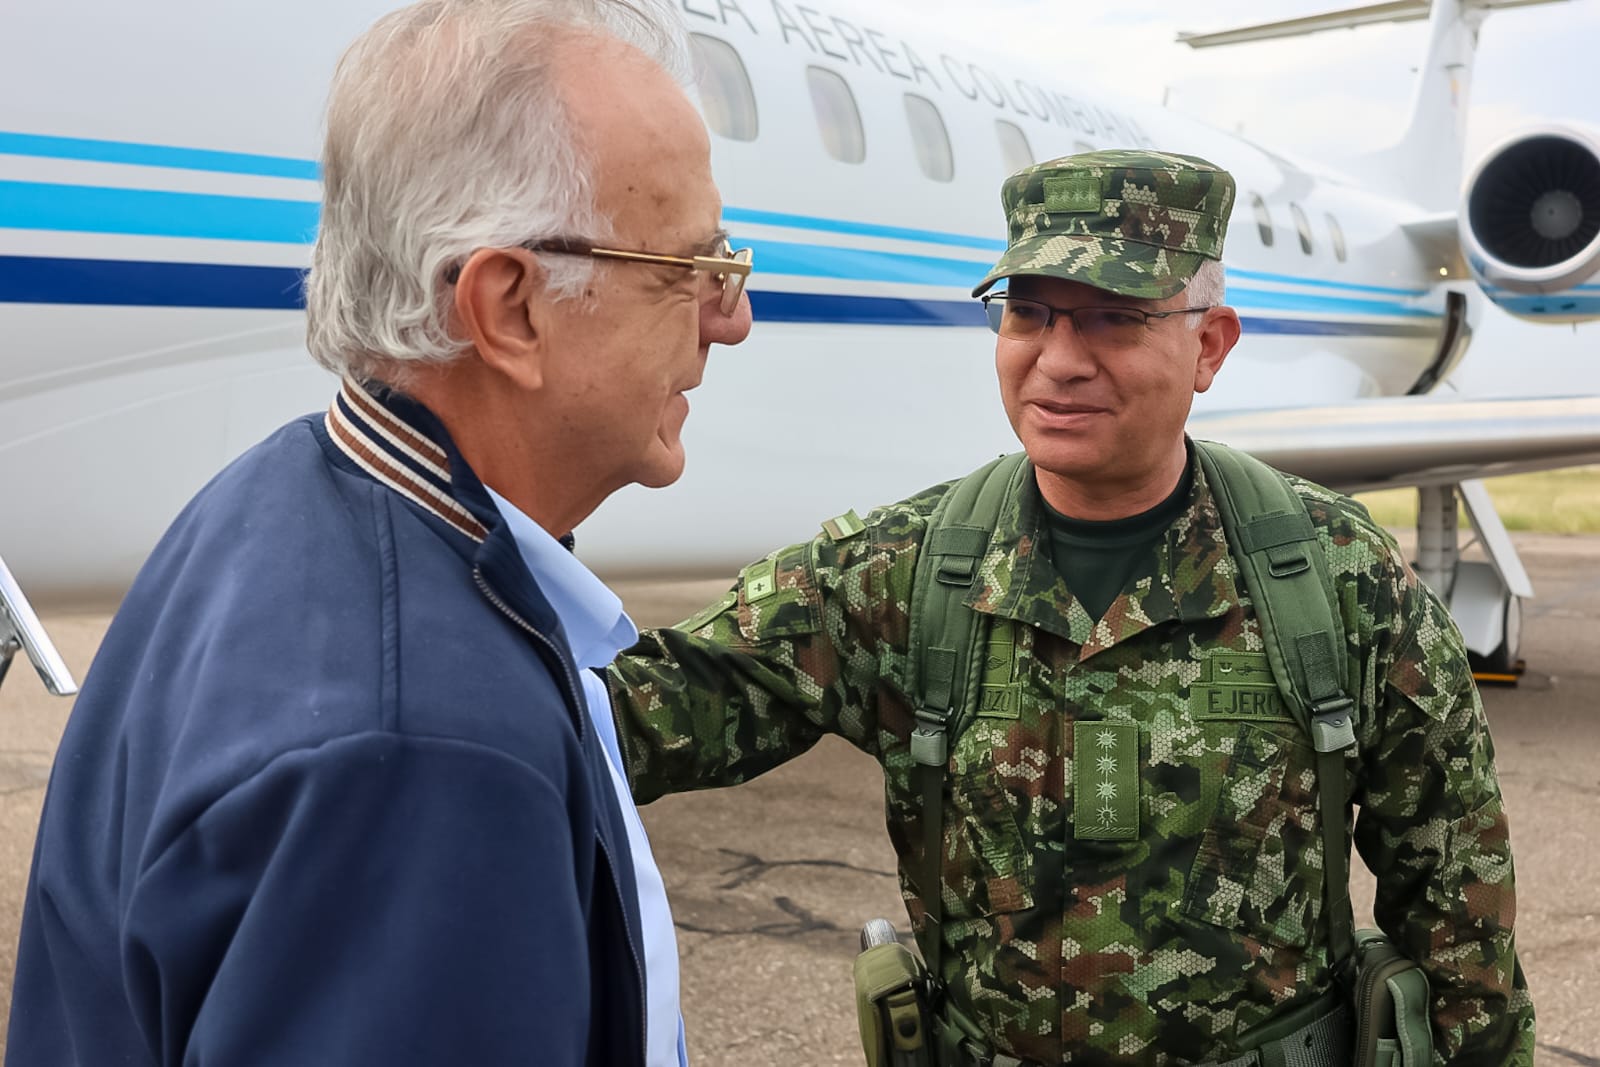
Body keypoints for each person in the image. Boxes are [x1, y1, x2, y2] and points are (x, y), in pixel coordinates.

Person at [608, 150, 1534, 1064]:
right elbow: (623, 720)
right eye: (1028, 313)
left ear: (1210, 345)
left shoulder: (1337, 578)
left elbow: (1461, 926)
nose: (1057, 360)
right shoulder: (899, 572)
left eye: (1113, 318)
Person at [8, 1, 751, 1064]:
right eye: (690, 267)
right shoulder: (428, 754)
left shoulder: (283, 496)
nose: (731, 317)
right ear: (510, 308)